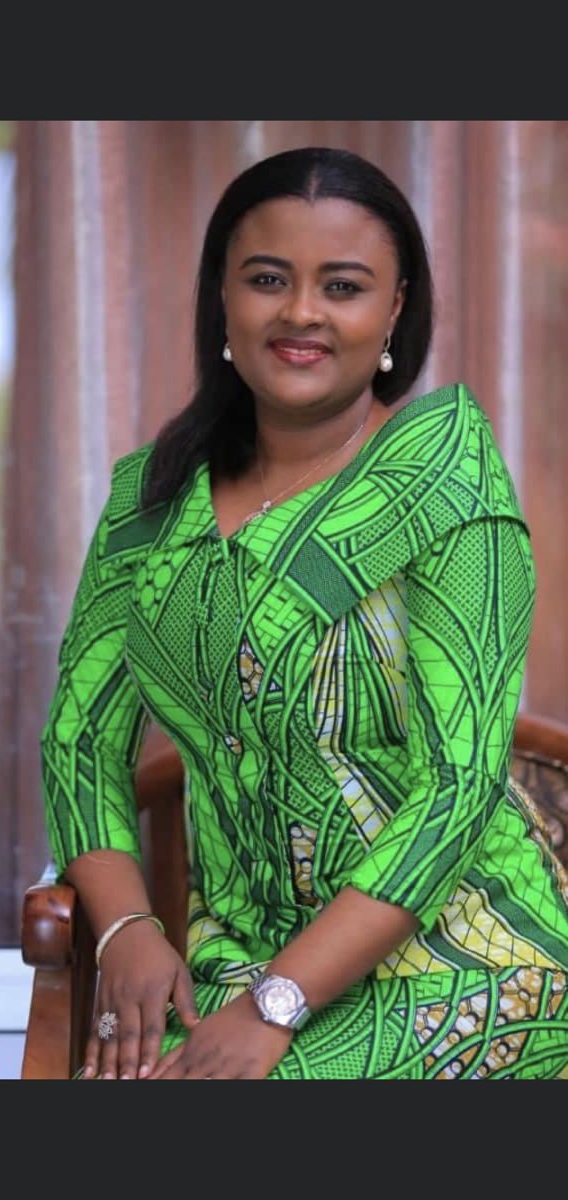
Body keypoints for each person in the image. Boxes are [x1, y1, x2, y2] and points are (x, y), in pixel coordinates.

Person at [40, 146, 568, 1080]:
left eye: (343, 286)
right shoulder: (151, 503)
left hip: (462, 962)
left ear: (395, 308)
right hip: (230, 964)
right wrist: (126, 929)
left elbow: (456, 787)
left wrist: (278, 1002)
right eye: (267, 279)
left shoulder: (443, 483)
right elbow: (80, 739)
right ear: (222, 298)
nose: (301, 313)